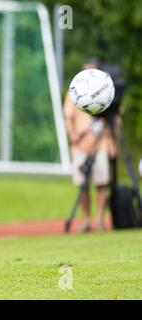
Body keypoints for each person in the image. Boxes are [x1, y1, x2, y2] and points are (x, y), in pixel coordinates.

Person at [63, 58, 120, 233]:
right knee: (83, 184)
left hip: (101, 143)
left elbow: (116, 119)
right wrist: (73, 136)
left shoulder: (106, 89)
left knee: (101, 183)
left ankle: (100, 219)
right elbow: (67, 117)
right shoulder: (74, 91)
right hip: (81, 146)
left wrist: (114, 143)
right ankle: (87, 220)